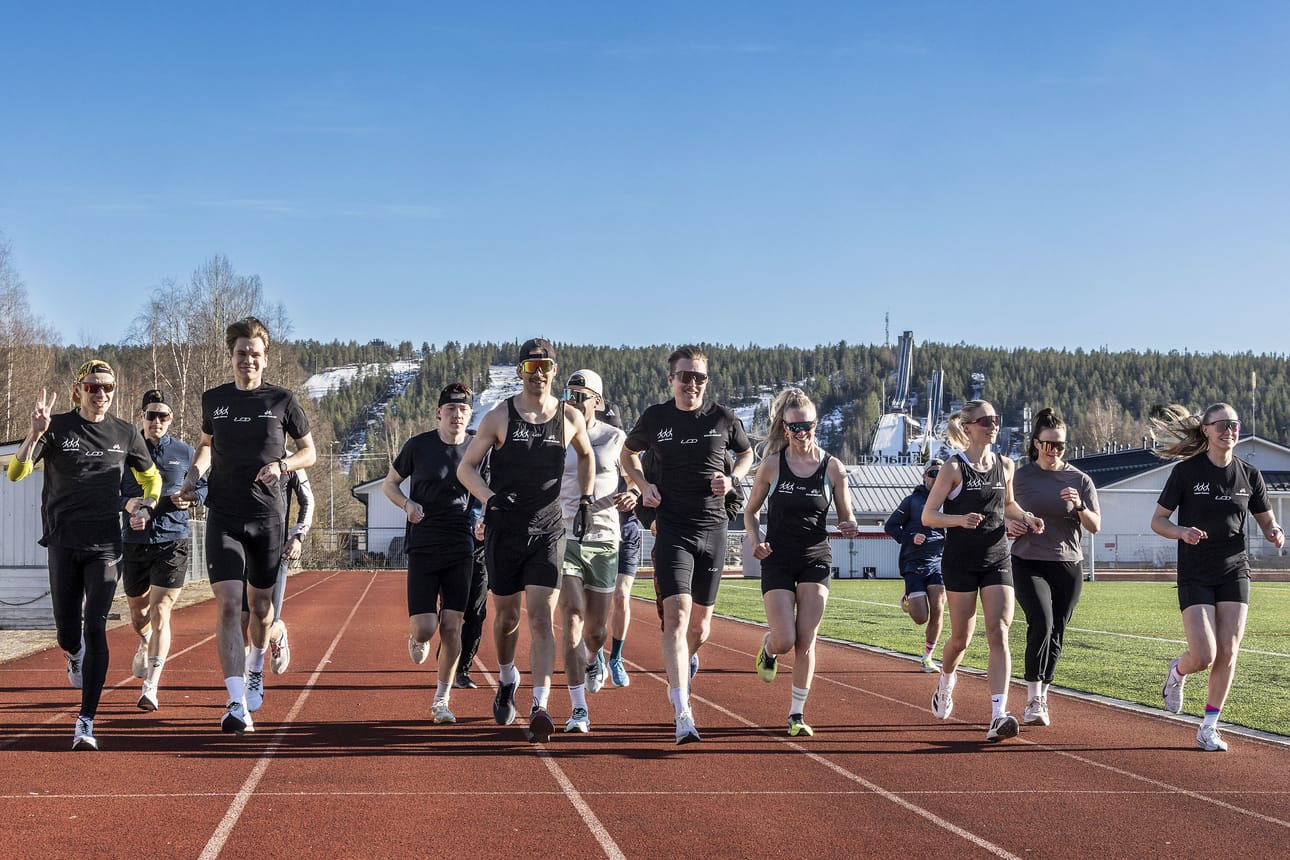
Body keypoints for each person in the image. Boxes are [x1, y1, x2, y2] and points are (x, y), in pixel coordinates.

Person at [6, 360, 161, 750]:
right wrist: (33, 434)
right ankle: (72, 653)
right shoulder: (56, 428)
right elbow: (16, 473)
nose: (101, 394)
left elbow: (151, 477)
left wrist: (147, 505)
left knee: (96, 626)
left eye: (108, 387)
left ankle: (86, 721)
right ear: (79, 390)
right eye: (93, 387)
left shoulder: (126, 433)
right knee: (67, 632)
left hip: (106, 547)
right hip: (62, 543)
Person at [178, 317, 316, 734]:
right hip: (223, 515)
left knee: (260, 610)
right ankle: (237, 703)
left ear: (264, 358)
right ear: (231, 356)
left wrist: (282, 464)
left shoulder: (282, 401)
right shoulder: (214, 400)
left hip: (267, 520)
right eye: (241, 353)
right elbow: (206, 446)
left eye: (255, 354)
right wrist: (193, 476)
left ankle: (256, 665)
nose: (248, 361)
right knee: (227, 606)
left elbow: (309, 452)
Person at [458, 339, 593, 744]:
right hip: (505, 531)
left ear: (554, 370)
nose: (539, 373)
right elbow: (467, 469)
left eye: (546, 365)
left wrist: (584, 499)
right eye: (532, 365)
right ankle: (506, 677)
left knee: (540, 616)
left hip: (548, 529)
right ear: (521, 371)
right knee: (506, 619)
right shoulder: (499, 417)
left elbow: (586, 456)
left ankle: (540, 705)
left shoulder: (569, 418)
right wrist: (491, 499)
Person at [621, 345, 753, 744]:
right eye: (685, 375)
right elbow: (628, 456)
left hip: (712, 528)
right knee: (676, 618)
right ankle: (682, 709)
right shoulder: (656, 418)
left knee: (700, 626)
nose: (691, 383)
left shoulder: (722, 417)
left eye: (699, 377)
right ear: (671, 380)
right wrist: (643, 486)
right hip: (672, 529)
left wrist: (733, 480)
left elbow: (747, 453)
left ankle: (687, 657)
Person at [1151, 403, 1283, 752]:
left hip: (1234, 569)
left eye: (1234, 424)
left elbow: (1266, 519)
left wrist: (1274, 531)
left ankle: (1209, 726)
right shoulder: (1186, 472)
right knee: (1205, 654)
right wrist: (1181, 533)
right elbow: (1158, 521)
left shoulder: (1249, 475)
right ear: (1206, 430)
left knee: (1228, 651)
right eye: (1222, 424)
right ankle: (1178, 672)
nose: (1229, 430)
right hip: (1195, 571)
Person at [922, 400, 1040, 743]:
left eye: (996, 420)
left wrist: (1027, 517)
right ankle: (945, 682)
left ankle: (998, 714)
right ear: (968, 427)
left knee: (999, 631)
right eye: (985, 421)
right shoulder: (953, 468)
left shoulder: (1006, 465)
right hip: (960, 561)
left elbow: (1008, 505)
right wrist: (958, 520)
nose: (992, 425)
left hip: (997, 557)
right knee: (961, 639)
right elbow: (929, 515)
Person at [743, 388, 858, 737]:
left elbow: (847, 515)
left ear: (816, 425)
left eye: (806, 425)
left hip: (815, 559)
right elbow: (750, 512)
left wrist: (849, 526)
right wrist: (755, 539)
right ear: (783, 427)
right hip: (777, 559)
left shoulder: (833, 467)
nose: (800, 432)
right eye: (793, 427)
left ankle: (796, 714)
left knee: (806, 641)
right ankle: (768, 649)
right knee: (785, 638)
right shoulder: (773, 464)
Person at [383, 383, 477, 724]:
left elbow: (488, 488)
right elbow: (388, 485)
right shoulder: (418, 446)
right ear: (439, 412)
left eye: (463, 409)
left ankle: (442, 699)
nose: (457, 415)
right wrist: (407, 504)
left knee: (453, 625)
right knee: (426, 627)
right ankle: (416, 636)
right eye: (450, 409)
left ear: (470, 414)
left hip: (460, 544)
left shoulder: (478, 447)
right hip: (423, 544)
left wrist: (483, 520)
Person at [1007, 409, 1100, 728]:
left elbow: (1095, 526)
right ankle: (1032, 698)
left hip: (1067, 564)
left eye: (1060, 446)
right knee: (1042, 622)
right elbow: (1003, 511)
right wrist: (1012, 525)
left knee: (1057, 631)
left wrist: (1080, 506)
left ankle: (1043, 694)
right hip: (1028, 560)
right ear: (1036, 444)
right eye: (1048, 445)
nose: (1054, 451)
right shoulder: (1020, 476)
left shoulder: (1080, 480)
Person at [555, 370, 632, 733]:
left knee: (596, 631)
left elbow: (636, 476)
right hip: (564, 534)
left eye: (582, 395)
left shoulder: (615, 437)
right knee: (570, 615)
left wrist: (632, 492)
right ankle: (578, 708)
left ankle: (594, 657)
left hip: (603, 536)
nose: (574, 401)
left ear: (597, 402)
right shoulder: (556, 435)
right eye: (570, 394)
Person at [120, 388, 205, 712]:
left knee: (161, 612)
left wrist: (194, 498)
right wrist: (126, 503)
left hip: (173, 540)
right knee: (138, 614)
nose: (157, 421)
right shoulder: (126, 452)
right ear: (142, 417)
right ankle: (144, 642)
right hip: (135, 543)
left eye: (163, 416)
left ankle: (151, 686)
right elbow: (108, 491)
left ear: (171, 419)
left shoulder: (184, 452)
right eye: (151, 415)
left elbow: (205, 485)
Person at [239, 467, 314, 673]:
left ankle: (277, 632)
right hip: (240, 547)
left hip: (274, 551)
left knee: (264, 621)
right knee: (239, 619)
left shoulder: (290, 462)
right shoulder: (238, 452)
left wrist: (298, 537)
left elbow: (307, 500)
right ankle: (245, 679)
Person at [884, 458, 947, 673]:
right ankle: (910, 598)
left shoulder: (950, 501)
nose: (937, 477)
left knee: (938, 609)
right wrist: (911, 536)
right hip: (913, 563)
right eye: (933, 473)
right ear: (924, 476)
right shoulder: (912, 501)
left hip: (939, 564)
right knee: (921, 618)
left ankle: (927, 657)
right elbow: (891, 526)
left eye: (941, 473)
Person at [600, 400, 641, 689]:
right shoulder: (589, 446)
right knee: (599, 601)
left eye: (616, 427)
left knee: (621, 596)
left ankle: (615, 656)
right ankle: (595, 653)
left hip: (626, 528)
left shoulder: (625, 448)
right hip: (598, 533)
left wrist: (634, 494)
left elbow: (638, 481)